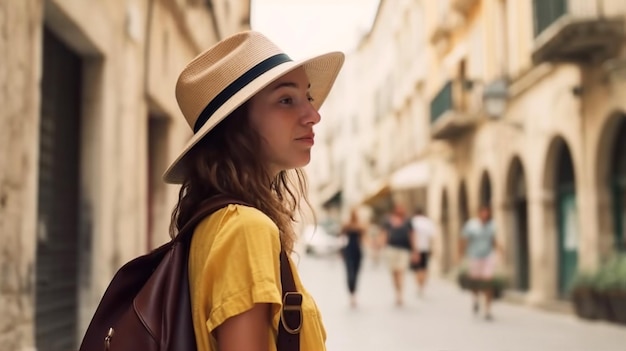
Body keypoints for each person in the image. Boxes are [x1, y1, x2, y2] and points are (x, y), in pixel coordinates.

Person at [164, 31, 344, 351]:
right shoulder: (245, 229)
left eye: (309, 97)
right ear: (237, 125)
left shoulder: (216, 223)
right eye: (286, 100)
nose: (313, 116)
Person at [459, 204, 502, 321]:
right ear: (478, 213)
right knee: (476, 283)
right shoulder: (471, 225)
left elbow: (494, 240)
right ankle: (475, 299)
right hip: (474, 256)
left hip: (488, 256)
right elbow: (464, 240)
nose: (485, 215)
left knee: (488, 282)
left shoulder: (492, 225)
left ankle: (488, 309)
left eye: (487, 212)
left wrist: (500, 251)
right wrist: (461, 255)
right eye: (483, 212)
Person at [381, 203, 419, 306]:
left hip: (404, 250)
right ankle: (397, 292)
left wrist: (415, 251)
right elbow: (385, 234)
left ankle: (400, 295)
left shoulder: (408, 222)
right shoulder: (388, 221)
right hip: (391, 249)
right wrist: (382, 247)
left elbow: (412, 236)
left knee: (401, 271)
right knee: (394, 273)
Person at [340, 208, 366, 308]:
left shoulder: (360, 226)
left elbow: (364, 237)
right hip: (348, 251)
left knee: (356, 273)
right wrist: (341, 250)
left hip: (357, 251)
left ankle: (354, 293)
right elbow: (342, 237)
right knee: (350, 273)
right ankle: (351, 293)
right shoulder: (347, 225)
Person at [410, 207, 436, 298]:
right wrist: (432, 248)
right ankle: (422, 286)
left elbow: (410, 236)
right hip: (425, 248)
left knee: (417, 269)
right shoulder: (428, 222)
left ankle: (418, 285)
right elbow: (432, 236)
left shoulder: (412, 221)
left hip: (415, 249)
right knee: (424, 268)